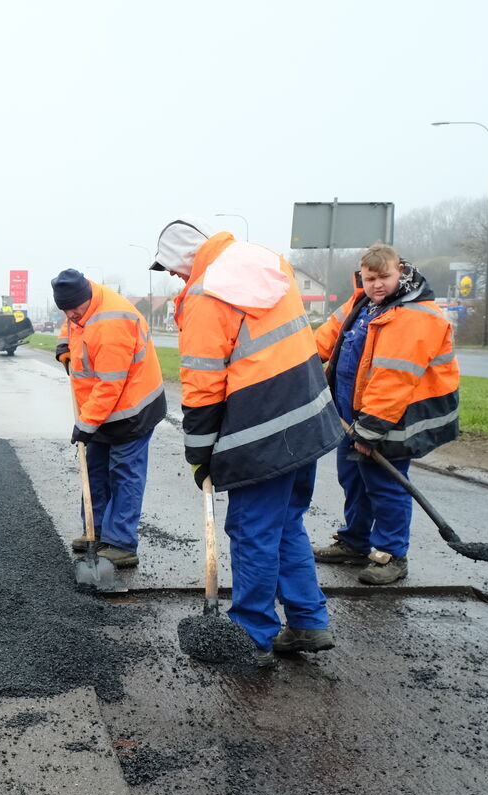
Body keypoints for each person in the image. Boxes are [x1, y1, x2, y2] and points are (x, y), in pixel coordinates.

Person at [153, 217, 342, 665]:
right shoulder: (264, 262)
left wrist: (199, 454)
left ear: (185, 260)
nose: (177, 278)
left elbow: (202, 386)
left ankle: (252, 634)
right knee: (286, 524)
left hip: (264, 429)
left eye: (174, 270)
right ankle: (308, 622)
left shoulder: (205, 294)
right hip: (308, 419)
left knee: (253, 531)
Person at [312, 244, 460, 585]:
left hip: (393, 417)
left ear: (401, 273)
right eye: (369, 278)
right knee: (352, 479)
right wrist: (298, 367)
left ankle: (391, 555)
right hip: (351, 414)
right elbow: (326, 338)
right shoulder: (362, 303)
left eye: (384, 277)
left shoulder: (414, 315)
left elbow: (395, 377)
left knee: (384, 485)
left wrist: (372, 427)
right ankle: (355, 541)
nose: (377, 284)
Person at [53, 268, 166, 568]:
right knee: (95, 469)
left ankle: (121, 543)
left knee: (124, 472)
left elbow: (110, 384)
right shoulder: (81, 305)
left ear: (87, 298)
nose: (72, 317)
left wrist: (85, 426)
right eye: (67, 312)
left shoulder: (111, 322)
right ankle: (96, 529)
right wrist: (65, 345)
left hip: (132, 407)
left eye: (76, 311)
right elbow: (73, 324)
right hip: (101, 406)